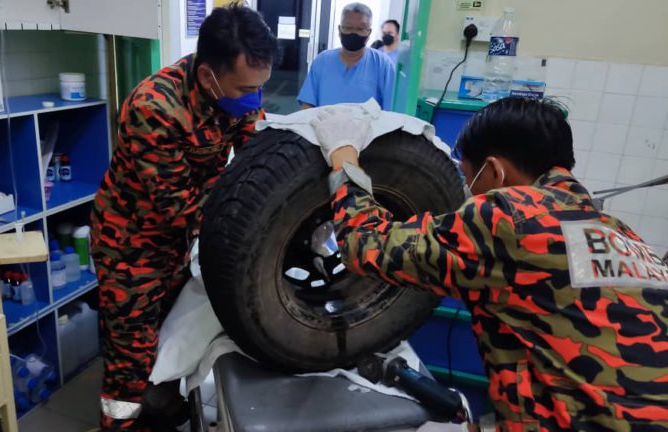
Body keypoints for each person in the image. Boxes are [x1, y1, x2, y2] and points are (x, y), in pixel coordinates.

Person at [312, 98, 668, 431]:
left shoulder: (508, 216)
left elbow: (365, 245)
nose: (468, 189)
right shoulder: (622, 234)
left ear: (495, 171)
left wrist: (344, 159)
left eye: (469, 177)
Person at [90, 4, 277, 431]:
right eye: (245, 89)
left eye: (259, 89)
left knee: (173, 338)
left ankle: (163, 415)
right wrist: (243, 206)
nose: (253, 100)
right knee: (130, 358)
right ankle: (119, 424)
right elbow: (179, 207)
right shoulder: (154, 107)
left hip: (178, 244)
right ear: (209, 73)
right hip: (130, 247)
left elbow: (256, 154)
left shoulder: (234, 94)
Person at [298, 2, 395, 110]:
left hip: (368, 127)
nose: (353, 33)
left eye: (360, 29)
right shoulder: (322, 61)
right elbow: (307, 103)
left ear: (369, 32)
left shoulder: (383, 65)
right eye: (348, 28)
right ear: (339, 30)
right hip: (324, 126)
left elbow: (390, 109)